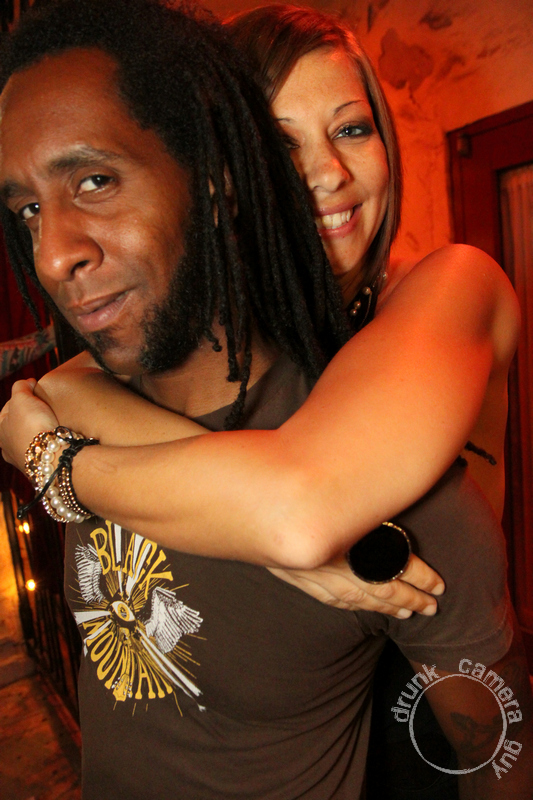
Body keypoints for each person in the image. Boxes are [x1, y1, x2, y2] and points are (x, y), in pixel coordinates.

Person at [0, 1, 531, 798]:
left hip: (414, 687)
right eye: (279, 145)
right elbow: (67, 388)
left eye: (351, 128)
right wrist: (46, 426)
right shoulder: (119, 380)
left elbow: (300, 503)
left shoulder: (443, 295)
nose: (326, 173)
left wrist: (50, 462)